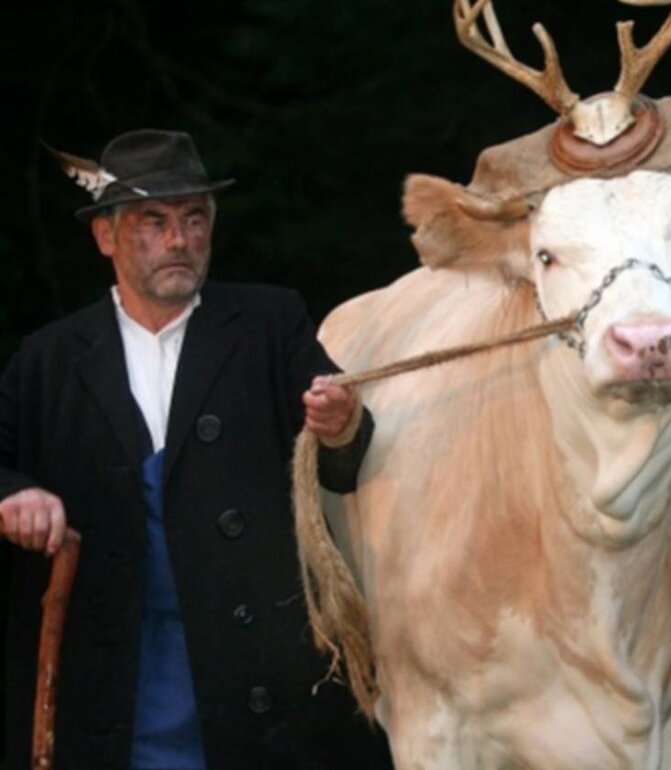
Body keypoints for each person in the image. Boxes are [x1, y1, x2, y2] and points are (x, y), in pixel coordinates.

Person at [0, 130, 392, 769]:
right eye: (154, 222)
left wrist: (341, 423)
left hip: (253, 678)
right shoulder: (48, 359)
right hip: (111, 684)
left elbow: (345, 464)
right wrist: (14, 494)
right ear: (106, 236)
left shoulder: (270, 324)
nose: (179, 240)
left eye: (194, 219)